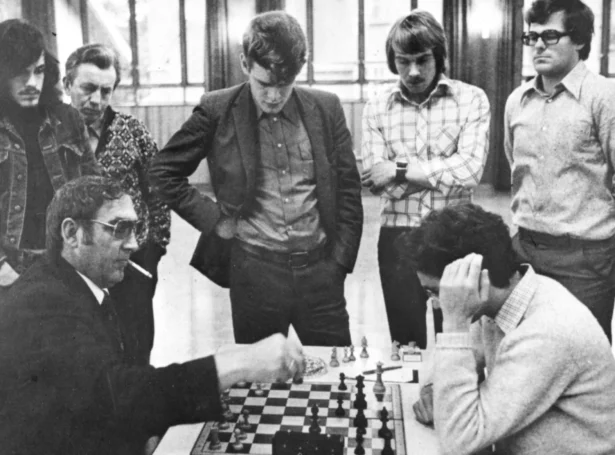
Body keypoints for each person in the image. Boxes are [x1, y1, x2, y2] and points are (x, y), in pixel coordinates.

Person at [0, 175, 305, 455]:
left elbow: (107, 394)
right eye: (119, 228)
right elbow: (116, 394)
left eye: (134, 229)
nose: (133, 244)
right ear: (72, 233)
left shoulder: (80, 285)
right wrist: (236, 364)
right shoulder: (41, 302)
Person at [150, 11, 363, 346]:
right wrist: (215, 219)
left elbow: (349, 188)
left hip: (321, 274)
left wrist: (339, 264)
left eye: (284, 85)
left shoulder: (327, 108)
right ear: (244, 64)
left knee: (335, 373)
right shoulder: (217, 109)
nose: (274, 96)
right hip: (255, 276)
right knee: (260, 376)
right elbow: (162, 171)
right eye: (264, 84)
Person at [404, 203, 615, 454]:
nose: (438, 304)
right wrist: (433, 390)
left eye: (436, 292)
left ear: (475, 278)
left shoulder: (546, 331)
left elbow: (458, 440)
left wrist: (454, 324)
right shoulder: (501, 302)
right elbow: (439, 372)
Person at [360, 10, 490, 349]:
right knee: (406, 347)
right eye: (403, 61)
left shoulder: (472, 99)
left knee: (460, 344)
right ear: (392, 61)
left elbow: (470, 171)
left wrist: (398, 169)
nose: (414, 71)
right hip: (397, 238)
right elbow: (378, 180)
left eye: (423, 60)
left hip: (456, 234)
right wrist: (441, 172)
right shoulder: (376, 107)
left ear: (440, 57)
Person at [505, 0, 615, 341]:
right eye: (532, 37)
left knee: (584, 354)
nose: (538, 45)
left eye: (550, 36)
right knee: (527, 352)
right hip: (525, 251)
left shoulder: (604, 97)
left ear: (579, 40)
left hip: (585, 259)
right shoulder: (517, 101)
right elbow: (517, 172)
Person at [64, 43, 171, 364]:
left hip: (132, 259)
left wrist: (155, 249)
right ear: (67, 84)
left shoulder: (132, 130)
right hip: (76, 264)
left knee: (136, 347)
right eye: (87, 88)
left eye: (105, 91)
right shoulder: (50, 135)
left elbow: (158, 190)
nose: (96, 100)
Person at [0, 19, 98, 299]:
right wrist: (2, 268)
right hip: (8, 271)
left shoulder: (68, 119)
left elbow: (94, 188)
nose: (32, 83)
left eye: (39, 71)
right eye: (20, 73)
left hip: (65, 261)